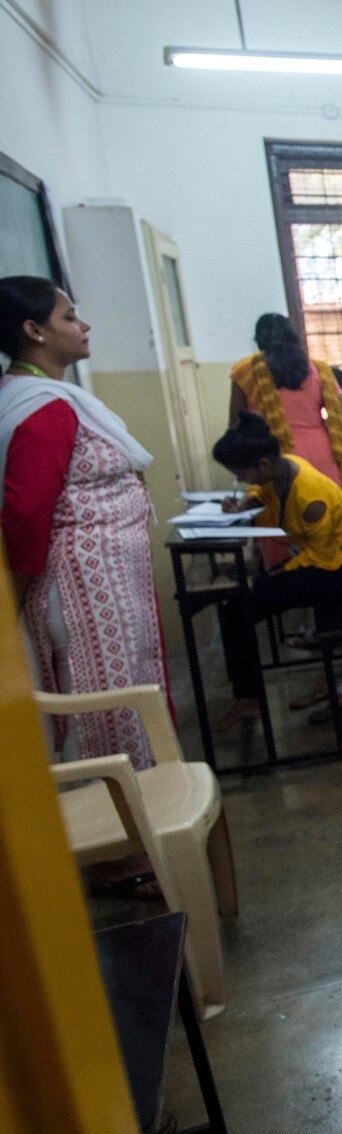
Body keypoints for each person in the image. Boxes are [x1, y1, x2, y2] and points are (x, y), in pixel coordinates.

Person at [0, 275, 169, 771]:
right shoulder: (41, 409)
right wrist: (18, 592)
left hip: (106, 582)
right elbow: (26, 511)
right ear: (34, 331)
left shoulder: (53, 396)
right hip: (79, 592)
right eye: (69, 317)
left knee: (126, 689)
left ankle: (141, 802)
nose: (84, 325)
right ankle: (119, 813)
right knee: (104, 699)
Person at [213, 413, 342, 726]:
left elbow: (323, 558)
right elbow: (263, 491)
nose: (241, 480)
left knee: (238, 607)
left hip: (338, 571)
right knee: (238, 604)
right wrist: (245, 503)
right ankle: (248, 694)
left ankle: (248, 697)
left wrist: (273, 577)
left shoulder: (310, 497)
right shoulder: (284, 468)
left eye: (241, 473)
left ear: (264, 464)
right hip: (318, 563)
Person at [229, 313, 342, 497]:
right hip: (321, 456)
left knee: (283, 518)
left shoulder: (245, 371)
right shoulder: (320, 370)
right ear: (293, 337)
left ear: (258, 341)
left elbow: (235, 427)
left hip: (274, 458)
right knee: (323, 514)